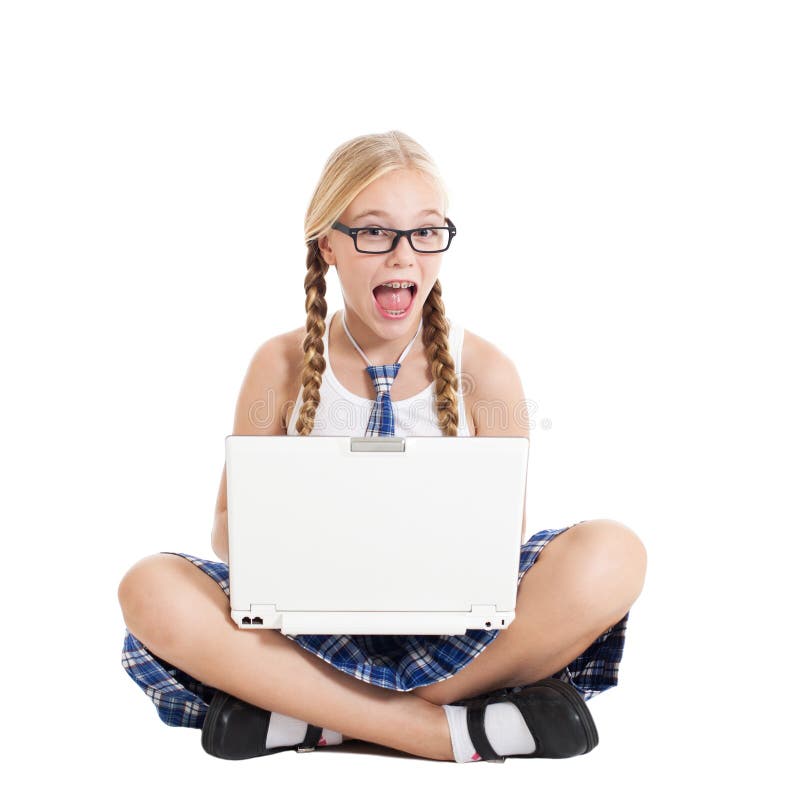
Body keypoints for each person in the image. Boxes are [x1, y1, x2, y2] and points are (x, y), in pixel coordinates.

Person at [118, 130, 647, 764]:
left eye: (425, 232)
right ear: (329, 246)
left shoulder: (488, 370)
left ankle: (319, 719)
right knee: (149, 588)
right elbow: (227, 527)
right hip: (309, 632)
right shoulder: (279, 364)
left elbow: (506, 533)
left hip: (453, 635)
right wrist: (312, 551)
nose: (404, 256)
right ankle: (444, 732)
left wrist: (418, 554)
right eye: (374, 232)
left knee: (615, 553)